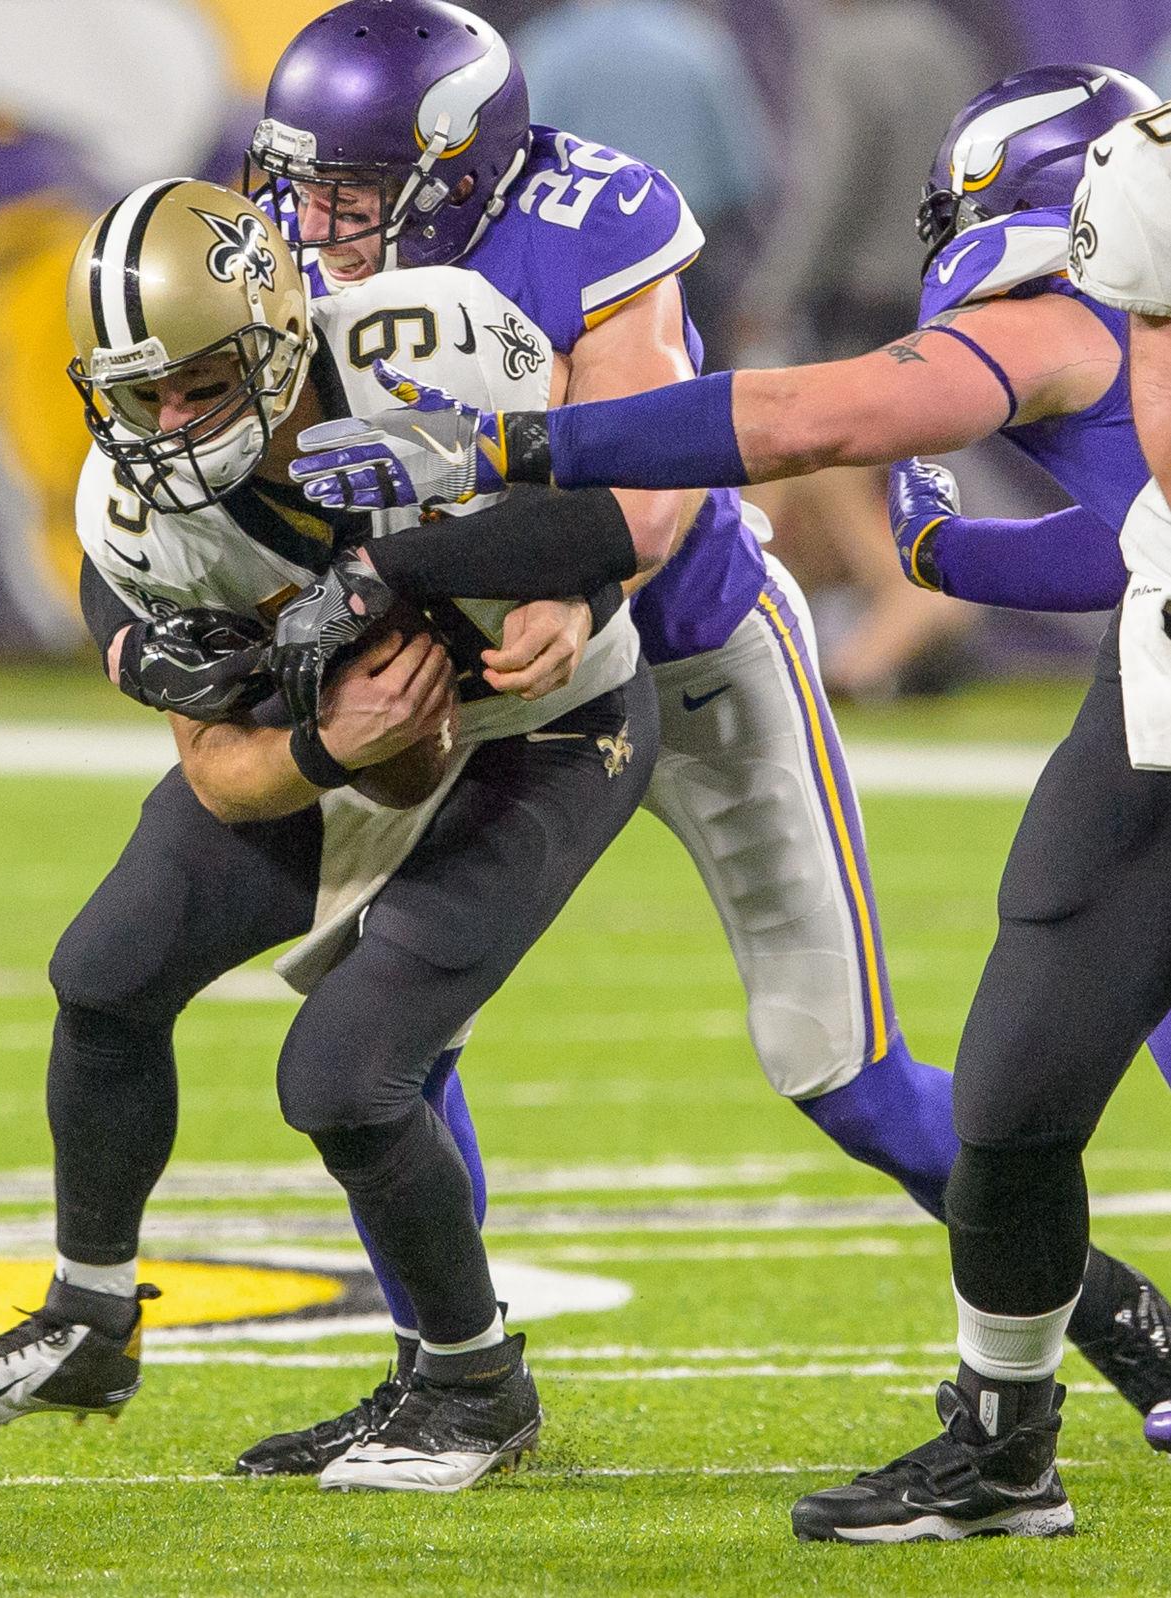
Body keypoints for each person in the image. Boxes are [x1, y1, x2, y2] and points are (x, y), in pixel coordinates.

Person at [247, 15, 1171, 1482]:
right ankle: (449, 1369)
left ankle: (1111, 1319)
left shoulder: (593, 221)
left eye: (355, 187)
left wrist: (516, 485)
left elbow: (726, 468)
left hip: (694, 649)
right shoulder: (286, 271)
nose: (320, 218)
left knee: (845, 1068)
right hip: (503, 685)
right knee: (382, 1037)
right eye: (311, 183)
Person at [0, 178, 661, 1495]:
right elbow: (226, 776)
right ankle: (88, 1316)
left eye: (199, 382)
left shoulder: (430, 340)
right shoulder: (131, 518)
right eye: (141, 396)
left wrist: (551, 592)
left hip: (539, 729)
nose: (171, 425)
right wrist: (328, 748)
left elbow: (620, 505)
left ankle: (474, 1388)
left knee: (343, 1076)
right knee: (106, 972)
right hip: (341, 746)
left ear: (279, 332)